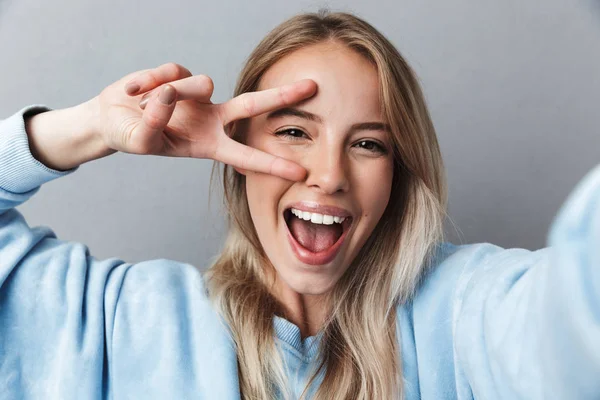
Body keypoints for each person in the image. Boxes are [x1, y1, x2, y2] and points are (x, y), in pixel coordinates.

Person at [0, 10, 598, 400]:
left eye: (368, 144)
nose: (330, 175)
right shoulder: (125, 324)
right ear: (238, 154)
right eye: (293, 132)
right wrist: (88, 129)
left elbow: (576, 311)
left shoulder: (469, 312)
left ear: (398, 176)